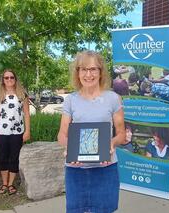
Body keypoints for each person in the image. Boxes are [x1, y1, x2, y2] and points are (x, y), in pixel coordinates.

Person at [57, 50, 125, 213]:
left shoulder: (113, 98)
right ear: (78, 72)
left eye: (93, 69)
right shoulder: (70, 100)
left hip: (106, 168)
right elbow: (62, 134)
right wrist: (70, 149)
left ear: (101, 72)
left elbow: (122, 134)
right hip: (76, 170)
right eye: (84, 69)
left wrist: (111, 143)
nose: (88, 74)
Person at [0, 69, 31, 195]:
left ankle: (11, 184)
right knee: (2, 158)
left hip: (17, 132)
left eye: (11, 77)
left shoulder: (22, 94)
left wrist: (27, 131)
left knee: (14, 158)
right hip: (1, 131)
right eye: (6, 78)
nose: (9, 80)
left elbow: (27, 115)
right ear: (3, 80)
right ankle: (4, 183)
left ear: (15, 79)